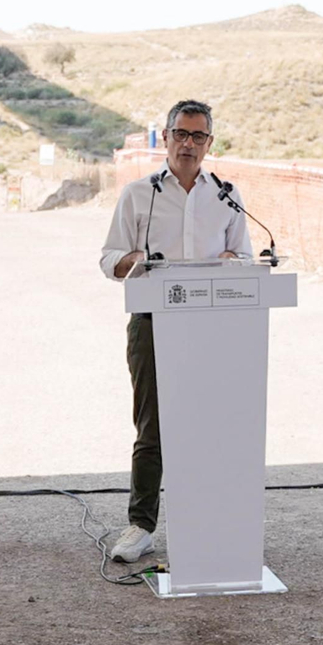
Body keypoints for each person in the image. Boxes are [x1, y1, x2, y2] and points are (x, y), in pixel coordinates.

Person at [98, 99, 252, 564]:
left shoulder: (225, 194)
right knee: (153, 428)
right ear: (165, 137)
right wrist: (134, 262)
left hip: (211, 326)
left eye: (198, 136)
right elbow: (109, 259)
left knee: (210, 424)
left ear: (210, 144)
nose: (188, 144)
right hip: (152, 324)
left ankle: (206, 519)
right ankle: (141, 525)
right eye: (180, 134)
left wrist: (232, 263)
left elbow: (243, 256)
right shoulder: (137, 194)